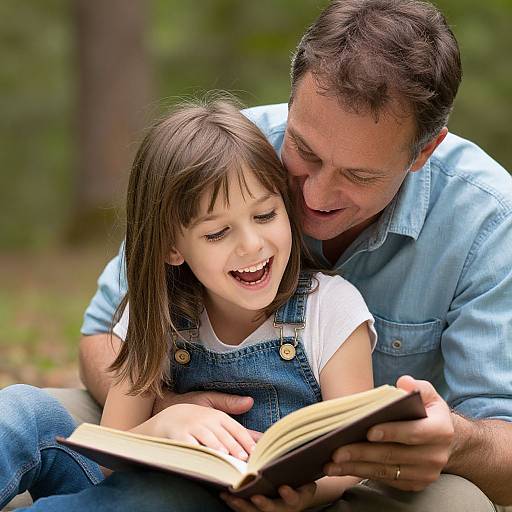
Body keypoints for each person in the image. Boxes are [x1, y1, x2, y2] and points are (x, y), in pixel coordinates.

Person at [4, 0, 512, 510]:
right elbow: (104, 342)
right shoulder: (222, 155)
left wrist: (456, 441)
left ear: (423, 153)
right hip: (163, 442)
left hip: (364, 475)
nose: (312, 197)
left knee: (457, 504)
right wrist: (168, 412)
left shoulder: (485, 218)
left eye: (359, 176)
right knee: (23, 417)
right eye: (304, 152)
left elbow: (501, 440)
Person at [1, 98, 378, 511]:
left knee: (155, 496)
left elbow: (351, 461)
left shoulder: (332, 310)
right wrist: (163, 423)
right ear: (171, 247)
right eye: (218, 233)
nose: (252, 245)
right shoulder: (159, 310)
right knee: (22, 409)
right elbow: (110, 459)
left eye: (266, 215)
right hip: (127, 495)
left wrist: (305, 496)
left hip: (242, 505)